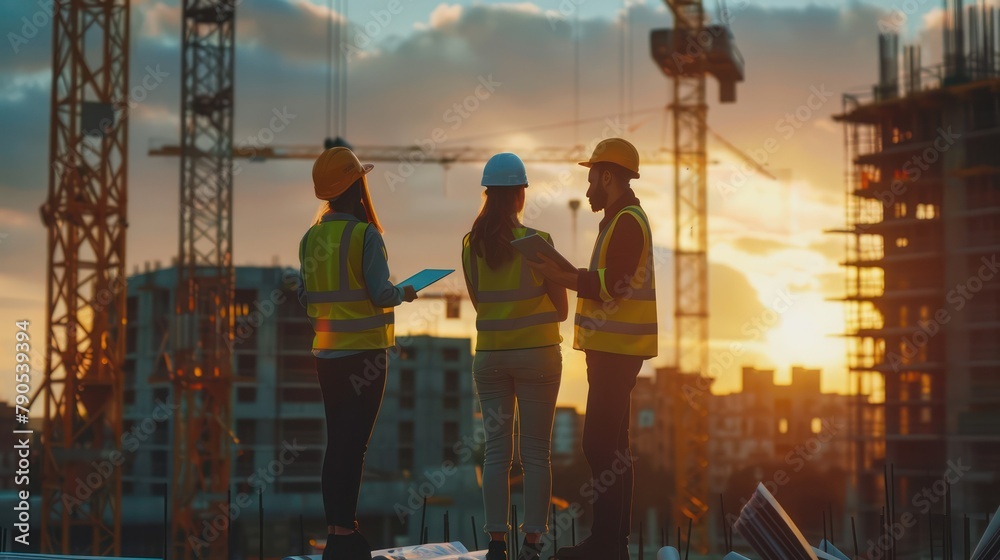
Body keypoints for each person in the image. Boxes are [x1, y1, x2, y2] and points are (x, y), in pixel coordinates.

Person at [527, 138, 657, 560]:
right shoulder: (620, 221)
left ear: (607, 177)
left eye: (591, 179)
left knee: (599, 445)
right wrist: (565, 272)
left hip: (618, 352)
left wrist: (559, 276)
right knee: (613, 448)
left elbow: (611, 286)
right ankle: (612, 544)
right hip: (612, 350)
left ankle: (605, 544)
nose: (587, 191)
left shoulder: (627, 222)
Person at [297, 146, 417, 560]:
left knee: (338, 442)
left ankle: (337, 531)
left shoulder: (310, 237)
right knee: (356, 445)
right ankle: (345, 535)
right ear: (356, 185)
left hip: (326, 357)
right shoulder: (365, 235)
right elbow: (381, 293)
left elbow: (304, 294)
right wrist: (407, 291)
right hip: (365, 357)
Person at [462, 153, 569, 560]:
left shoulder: (470, 245)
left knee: (495, 452)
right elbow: (561, 310)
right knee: (536, 453)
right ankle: (532, 543)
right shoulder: (539, 243)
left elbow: (479, 304)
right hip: (538, 356)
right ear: (520, 194)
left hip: (490, 357)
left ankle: (495, 543)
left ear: (488, 194)